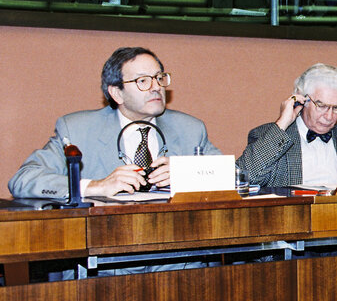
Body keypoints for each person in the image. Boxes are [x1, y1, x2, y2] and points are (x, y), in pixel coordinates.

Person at [9, 46, 221, 200]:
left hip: (176, 257)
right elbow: (23, 180)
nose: (156, 87)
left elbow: (232, 176)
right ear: (116, 93)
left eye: (159, 78)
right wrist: (96, 186)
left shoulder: (190, 129)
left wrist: (188, 174)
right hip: (107, 251)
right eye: (143, 81)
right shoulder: (76, 130)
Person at [237, 63, 337, 188]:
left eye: (336, 107)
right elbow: (244, 178)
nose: (329, 116)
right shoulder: (270, 136)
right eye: (321, 105)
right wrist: (283, 122)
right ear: (302, 100)